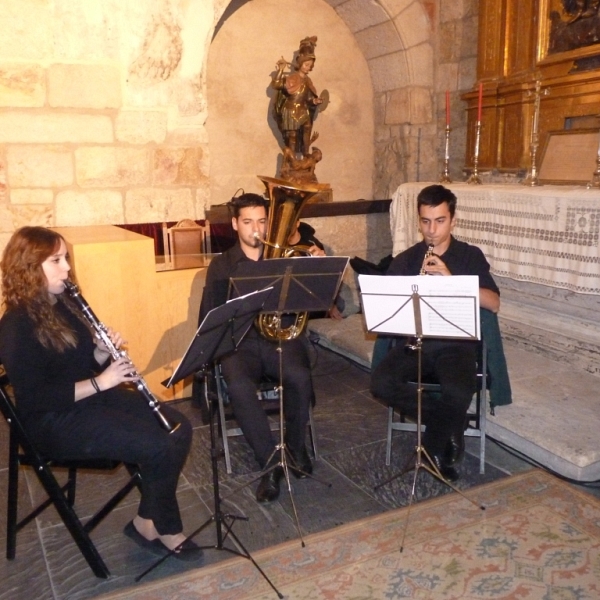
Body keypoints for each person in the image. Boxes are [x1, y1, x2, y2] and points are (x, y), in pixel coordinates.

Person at [0, 226, 202, 560]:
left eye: (65, 258)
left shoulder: (63, 301)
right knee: (155, 445)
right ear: (29, 268)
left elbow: (79, 364)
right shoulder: (15, 326)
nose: (67, 268)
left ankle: (144, 521)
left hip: (89, 398)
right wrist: (103, 381)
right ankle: (166, 528)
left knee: (179, 427)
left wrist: (100, 353)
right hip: (51, 421)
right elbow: (36, 398)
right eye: (56, 261)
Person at [370, 185, 500, 482]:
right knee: (381, 383)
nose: (432, 230)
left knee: (459, 390)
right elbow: (388, 311)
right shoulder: (404, 259)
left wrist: (450, 280)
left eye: (440, 221)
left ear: (453, 220)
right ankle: (451, 427)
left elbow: (494, 303)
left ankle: (428, 449)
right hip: (414, 343)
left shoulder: (469, 255)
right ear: (418, 221)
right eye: (426, 221)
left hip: (456, 344)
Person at [198, 193, 315, 503]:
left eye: (262, 221)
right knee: (238, 386)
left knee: (300, 377)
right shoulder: (222, 266)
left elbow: (318, 303)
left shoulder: (284, 259)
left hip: (280, 339)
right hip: (241, 344)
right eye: (248, 222)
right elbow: (210, 317)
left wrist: (312, 271)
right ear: (235, 224)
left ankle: (295, 447)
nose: (256, 229)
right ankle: (270, 462)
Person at [271, 47, 323, 156]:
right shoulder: (292, 78)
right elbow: (276, 85)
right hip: (291, 110)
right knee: (292, 135)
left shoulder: (308, 81)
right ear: (300, 64)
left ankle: (305, 152)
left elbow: (307, 97)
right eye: (306, 65)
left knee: (307, 127)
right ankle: (292, 157)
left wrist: (314, 100)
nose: (308, 68)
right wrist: (280, 70)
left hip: (303, 109)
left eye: (310, 66)